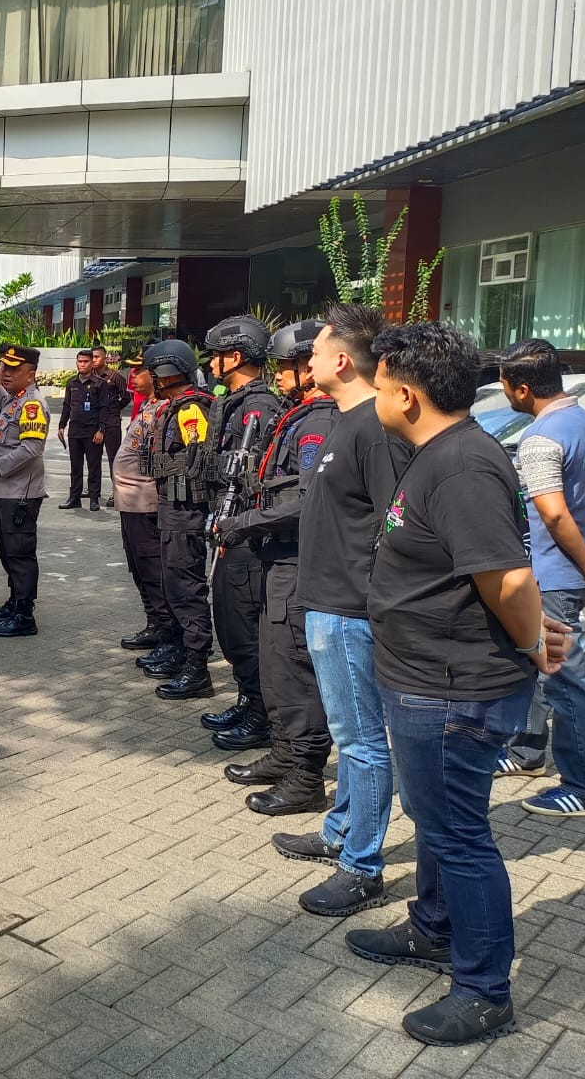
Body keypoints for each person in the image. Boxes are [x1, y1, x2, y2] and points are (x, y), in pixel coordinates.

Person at [346, 320, 563, 1048]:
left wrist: (535, 642)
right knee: (439, 823)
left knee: (459, 836)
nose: (372, 396)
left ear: (405, 395)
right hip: (423, 678)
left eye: (377, 386)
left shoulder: (463, 465)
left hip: (449, 689)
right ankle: (433, 929)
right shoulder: (435, 452)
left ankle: (482, 990)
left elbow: (507, 577)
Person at [272, 304, 408, 916]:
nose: (309, 360)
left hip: (351, 608)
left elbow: (397, 522)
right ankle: (340, 832)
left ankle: (363, 867)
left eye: (317, 349)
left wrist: (371, 597)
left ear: (343, 360)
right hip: (327, 601)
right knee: (352, 734)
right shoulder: (347, 423)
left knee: (360, 741)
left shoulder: (375, 430)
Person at [214, 320, 337, 810]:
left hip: (296, 555)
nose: (282, 374)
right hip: (276, 554)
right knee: (276, 662)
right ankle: (285, 752)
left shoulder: (322, 422)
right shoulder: (301, 414)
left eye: (289, 365)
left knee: (296, 667)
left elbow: (306, 499)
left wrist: (245, 523)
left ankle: (306, 776)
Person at [494, 339, 585, 817]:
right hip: (571, 568)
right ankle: (527, 751)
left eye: (504, 385)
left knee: (564, 678)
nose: (503, 393)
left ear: (522, 389)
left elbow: (552, 511)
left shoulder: (541, 437)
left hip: (552, 572)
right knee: (539, 666)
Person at [197, 315, 286, 748]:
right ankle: (247, 699)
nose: (212, 362)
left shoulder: (259, 406)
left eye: (216, 354)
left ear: (235, 356)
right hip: (228, 523)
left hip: (247, 531)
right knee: (230, 625)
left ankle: (261, 713)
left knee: (243, 628)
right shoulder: (232, 400)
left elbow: (254, 474)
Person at [137, 340, 215, 695]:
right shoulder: (175, 407)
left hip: (185, 513)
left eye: (151, 371)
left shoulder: (190, 410)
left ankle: (197, 668)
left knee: (186, 589)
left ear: (166, 373)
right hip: (172, 510)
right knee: (173, 586)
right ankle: (181, 651)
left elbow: (197, 461)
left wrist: (161, 467)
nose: (146, 377)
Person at [0, 346, 49, 637]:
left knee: (20, 554)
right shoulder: (16, 400)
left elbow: (32, 449)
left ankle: (24, 614)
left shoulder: (32, 405)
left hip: (19, 493)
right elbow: (6, 402)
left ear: (31, 374)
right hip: (4, 492)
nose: (6, 373)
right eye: (4, 368)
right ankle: (14, 600)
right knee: (7, 550)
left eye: (13, 370)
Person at [113, 352, 173, 652]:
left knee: (153, 571)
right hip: (130, 504)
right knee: (138, 569)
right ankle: (154, 624)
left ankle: (167, 632)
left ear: (157, 374)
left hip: (146, 504)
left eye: (140, 371)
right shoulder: (148, 406)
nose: (132, 376)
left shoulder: (164, 409)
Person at [57, 349, 111, 511]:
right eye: (80, 361)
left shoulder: (99, 383)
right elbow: (67, 405)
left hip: (92, 431)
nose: (82, 364)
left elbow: (104, 407)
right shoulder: (72, 383)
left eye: (86, 361)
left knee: (94, 466)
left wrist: (101, 430)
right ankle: (74, 497)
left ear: (91, 363)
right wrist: (61, 425)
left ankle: (94, 498)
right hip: (75, 431)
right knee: (75, 466)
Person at [92, 344, 131, 473]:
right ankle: (94, 491)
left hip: (111, 423)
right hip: (93, 423)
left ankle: (117, 490)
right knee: (93, 459)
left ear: (105, 358)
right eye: (92, 357)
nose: (94, 360)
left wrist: (114, 408)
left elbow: (126, 397)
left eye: (97, 357)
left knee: (113, 458)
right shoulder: (89, 378)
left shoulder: (114, 377)